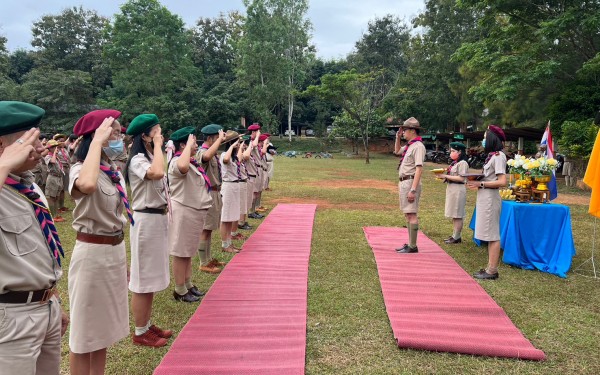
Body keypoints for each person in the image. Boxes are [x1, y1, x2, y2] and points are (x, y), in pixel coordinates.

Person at [0, 101, 69, 375]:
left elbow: (41, 253)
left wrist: (53, 301)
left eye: (39, 137)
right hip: (11, 317)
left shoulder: (28, 188)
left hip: (44, 307)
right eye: (28, 140)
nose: (42, 147)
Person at [68, 109, 131, 374]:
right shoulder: (80, 169)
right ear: (97, 136)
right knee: (84, 335)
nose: (119, 137)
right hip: (92, 253)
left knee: (102, 331)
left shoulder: (112, 170)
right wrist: (95, 143)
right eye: (114, 133)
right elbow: (88, 185)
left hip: (113, 250)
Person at [124, 114, 172, 347]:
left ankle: (147, 323)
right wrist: (159, 145)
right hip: (145, 219)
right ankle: (140, 331)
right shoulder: (138, 160)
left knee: (151, 275)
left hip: (157, 219)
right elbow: (157, 174)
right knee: (143, 278)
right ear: (144, 136)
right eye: (156, 132)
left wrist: (158, 148)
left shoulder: (152, 156)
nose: (160, 135)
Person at [167, 126, 212, 302]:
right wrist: (187, 149)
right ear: (183, 145)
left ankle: (188, 284)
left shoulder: (192, 162)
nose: (196, 146)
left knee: (188, 251)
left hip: (193, 211)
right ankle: (179, 289)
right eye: (193, 142)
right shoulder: (177, 162)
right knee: (181, 252)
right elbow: (182, 167)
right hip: (184, 211)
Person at [466, 125, 507, 280]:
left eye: (485, 137)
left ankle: (492, 270)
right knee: (489, 234)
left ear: (491, 139)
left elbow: (502, 181)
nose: (483, 140)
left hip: (490, 198)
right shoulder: (492, 156)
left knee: (493, 235)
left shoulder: (498, 156)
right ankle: (490, 267)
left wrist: (480, 184)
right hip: (485, 197)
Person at [197, 124, 227, 274]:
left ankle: (208, 259)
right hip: (208, 193)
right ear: (209, 138)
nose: (219, 142)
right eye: (216, 138)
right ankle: (203, 262)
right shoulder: (203, 152)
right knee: (205, 228)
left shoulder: (213, 153)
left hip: (215, 192)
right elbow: (206, 157)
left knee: (210, 229)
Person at [394, 117, 426, 253]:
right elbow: (396, 152)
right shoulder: (410, 145)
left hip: (410, 182)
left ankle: (413, 246)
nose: (403, 132)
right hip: (404, 182)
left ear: (413, 131)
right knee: (408, 213)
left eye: (405, 130)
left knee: (412, 214)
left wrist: (413, 189)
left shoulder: (418, 146)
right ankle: (410, 243)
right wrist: (397, 138)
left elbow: (419, 169)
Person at [219, 131, 246, 254]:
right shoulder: (225, 154)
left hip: (235, 186)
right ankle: (225, 244)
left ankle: (229, 242)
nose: (238, 144)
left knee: (231, 217)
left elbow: (240, 158)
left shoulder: (234, 157)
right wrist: (231, 146)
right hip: (228, 186)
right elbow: (225, 160)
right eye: (237, 142)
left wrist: (239, 145)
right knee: (226, 218)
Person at [439, 142, 469, 244]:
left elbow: (461, 178)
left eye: (453, 151)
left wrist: (445, 176)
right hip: (452, 188)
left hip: (458, 189)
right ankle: (454, 235)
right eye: (450, 151)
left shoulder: (463, 163)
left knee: (457, 214)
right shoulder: (455, 163)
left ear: (460, 152)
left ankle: (456, 237)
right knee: (454, 214)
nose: (451, 153)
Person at [43, 140, 66, 222]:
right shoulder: (48, 157)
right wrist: (55, 153)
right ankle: (53, 216)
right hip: (52, 178)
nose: (57, 148)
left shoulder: (57, 156)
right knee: (51, 197)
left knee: (56, 197)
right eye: (55, 147)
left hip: (59, 178)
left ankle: (56, 214)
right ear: (50, 148)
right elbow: (52, 162)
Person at [53, 134, 71, 213]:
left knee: (63, 189)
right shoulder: (55, 151)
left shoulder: (64, 150)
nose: (63, 143)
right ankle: (57, 207)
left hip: (66, 169)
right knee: (59, 189)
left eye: (63, 141)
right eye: (60, 141)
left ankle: (62, 206)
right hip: (60, 169)